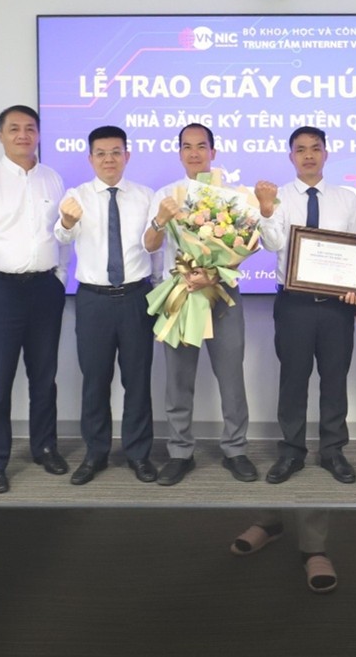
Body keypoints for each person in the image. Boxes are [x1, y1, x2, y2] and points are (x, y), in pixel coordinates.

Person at [0, 105, 68, 495]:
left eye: (30, 128)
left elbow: (62, 234)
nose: (23, 135)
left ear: (38, 134)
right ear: (1, 135)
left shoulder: (53, 178)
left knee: (44, 376)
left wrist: (59, 277)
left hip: (44, 289)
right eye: (14, 129)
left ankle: (45, 447)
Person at [144, 122, 253, 486]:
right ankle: (179, 452)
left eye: (201, 146)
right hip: (181, 294)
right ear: (179, 153)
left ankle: (236, 449)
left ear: (213, 152)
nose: (194, 153)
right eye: (187, 147)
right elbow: (150, 245)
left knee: (232, 377)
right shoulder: (166, 195)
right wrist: (160, 219)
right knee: (178, 379)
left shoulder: (231, 196)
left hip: (222, 295)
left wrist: (214, 273)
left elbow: (244, 246)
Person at [256, 126, 356, 485]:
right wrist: (266, 210)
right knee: (293, 379)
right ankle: (291, 451)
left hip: (337, 307)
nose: (308, 155)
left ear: (326, 154)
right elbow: (273, 244)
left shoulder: (347, 199)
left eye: (315, 148)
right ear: (291, 156)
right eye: (300, 149)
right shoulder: (279, 197)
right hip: (295, 305)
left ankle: (333, 450)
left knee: (335, 379)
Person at [55, 125, 159, 485]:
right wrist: (67, 220)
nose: (109, 159)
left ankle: (138, 454)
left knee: (137, 379)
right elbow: (62, 235)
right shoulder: (77, 196)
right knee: (95, 380)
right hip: (94, 301)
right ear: (90, 158)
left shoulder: (146, 196)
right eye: (101, 153)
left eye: (116, 152)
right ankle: (95, 453)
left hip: (136, 298)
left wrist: (158, 290)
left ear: (127, 155)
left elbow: (154, 247)